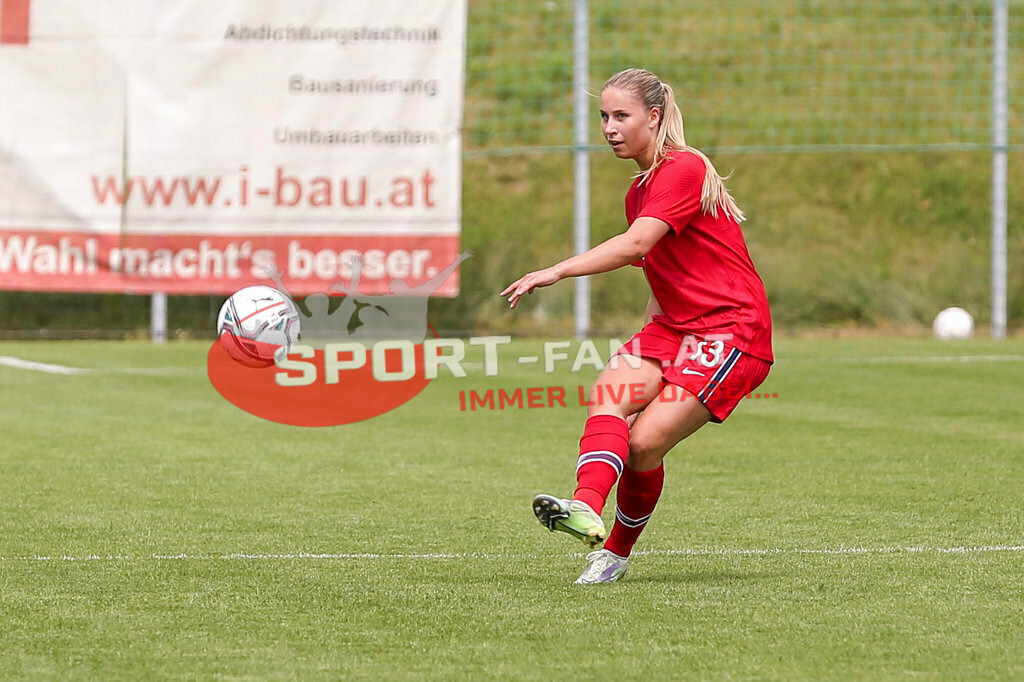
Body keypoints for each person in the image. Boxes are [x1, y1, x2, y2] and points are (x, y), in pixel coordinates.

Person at [500, 68, 773, 584]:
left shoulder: (685, 167)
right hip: (676, 326)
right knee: (609, 392)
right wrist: (647, 343)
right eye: (603, 116)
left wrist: (555, 269)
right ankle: (583, 510)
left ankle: (616, 554)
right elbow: (658, 271)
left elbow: (635, 245)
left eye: (621, 116)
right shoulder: (639, 193)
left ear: (654, 116)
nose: (609, 127)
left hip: (731, 331)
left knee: (645, 443)